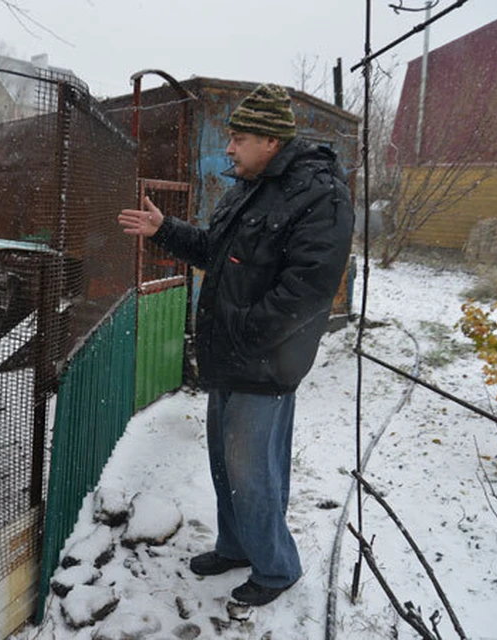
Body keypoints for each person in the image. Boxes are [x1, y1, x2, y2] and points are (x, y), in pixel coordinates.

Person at [117, 83, 353, 606]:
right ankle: (236, 546)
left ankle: (275, 568)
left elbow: (308, 290)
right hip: (230, 356)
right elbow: (214, 251)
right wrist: (165, 230)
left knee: (253, 473)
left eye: (239, 138)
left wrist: (245, 330)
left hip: (265, 363)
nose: (229, 148)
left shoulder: (320, 194)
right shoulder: (249, 186)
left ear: (271, 140)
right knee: (226, 466)